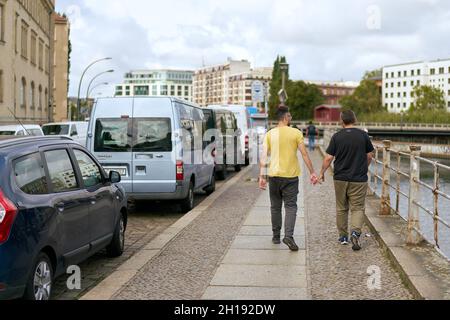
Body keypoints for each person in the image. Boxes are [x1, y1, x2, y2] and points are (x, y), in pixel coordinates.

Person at [259, 106, 319, 251]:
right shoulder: (296, 133)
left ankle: (275, 236)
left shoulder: (269, 134)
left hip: (273, 176)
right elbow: (304, 154)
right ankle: (289, 236)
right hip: (291, 177)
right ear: (285, 117)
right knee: (291, 206)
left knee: (275, 207)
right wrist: (312, 172)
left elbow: (264, 156)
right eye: (290, 116)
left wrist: (262, 176)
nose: (291, 118)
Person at [318, 110, 374, 251]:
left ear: (341, 121)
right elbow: (369, 156)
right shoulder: (363, 135)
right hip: (359, 179)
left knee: (341, 208)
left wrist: (322, 172)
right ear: (354, 120)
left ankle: (343, 237)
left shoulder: (337, 137)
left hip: (340, 178)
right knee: (358, 208)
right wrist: (364, 167)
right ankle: (355, 232)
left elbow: (328, 158)